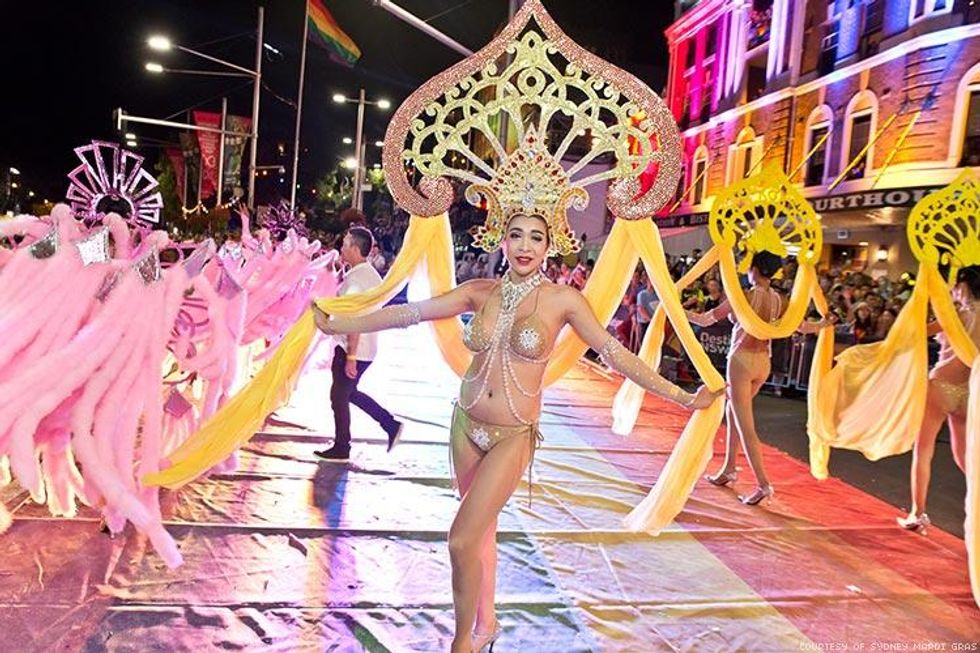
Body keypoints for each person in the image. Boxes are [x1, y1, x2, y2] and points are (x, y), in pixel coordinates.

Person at [313, 213, 720, 653]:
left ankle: (462, 642)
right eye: (516, 235)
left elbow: (615, 354)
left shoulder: (562, 300)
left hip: (512, 435)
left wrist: (681, 397)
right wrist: (340, 325)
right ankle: (486, 625)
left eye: (536, 237)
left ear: (549, 245)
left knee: (461, 538)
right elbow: (409, 313)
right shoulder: (479, 292)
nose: (525, 246)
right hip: (467, 426)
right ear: (502, 241)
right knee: (481, 530)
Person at [686, 251, 832, 505]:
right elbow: (801, 326)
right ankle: (728, 469)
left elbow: (706, 319)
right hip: (763, 362)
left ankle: (763, 484)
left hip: (741, 361)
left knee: (746, 426)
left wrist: (673, 309)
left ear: (753, 268)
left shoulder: (744, 296)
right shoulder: (780, 300)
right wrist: (823, 324)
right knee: (733, 413)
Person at [897, 265, 980, 531]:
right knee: (964, 457)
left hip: (942, 385)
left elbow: (919, 331)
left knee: (923, 451)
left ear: (963, 287)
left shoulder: (954, 312)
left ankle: (917, 512)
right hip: (970, 390)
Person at [314, 227, 404, 462]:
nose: (341, 247)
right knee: (348, 394)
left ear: (355, 248)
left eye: (344, 244)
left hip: (354, 348)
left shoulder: (358, 279)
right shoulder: (366, 274)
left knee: (339, 397)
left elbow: (355, 317)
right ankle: (389, 424)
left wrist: (351, 355)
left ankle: (343, 447)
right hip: (363, 347)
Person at [635, 272, 659, 343]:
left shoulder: (657, 295)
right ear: (648, 281)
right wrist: (651, 320)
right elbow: (641, 310)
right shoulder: (642, 294)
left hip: (655, 323)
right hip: (646, 324)